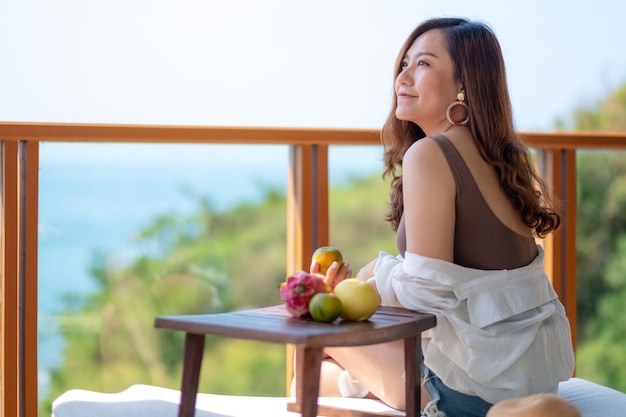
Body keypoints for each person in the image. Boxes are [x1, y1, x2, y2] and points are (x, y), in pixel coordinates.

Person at [294, 17, 576, 417]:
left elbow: (426, 292)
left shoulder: (430, 154)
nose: (402, 77)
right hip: (526, 381)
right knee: (330, 375)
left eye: (423, 64)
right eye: (404, 64)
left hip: (475, 392)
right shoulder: (496, 155)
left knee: (312, 332)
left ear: (463, 84)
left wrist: (371, 276)